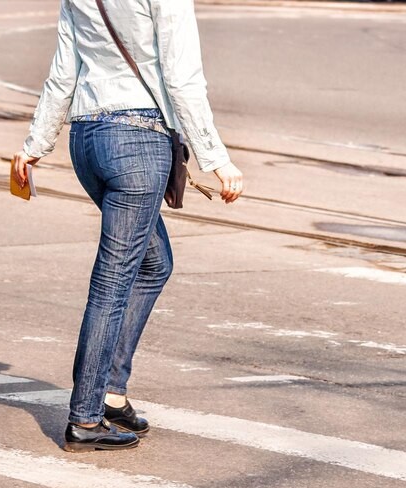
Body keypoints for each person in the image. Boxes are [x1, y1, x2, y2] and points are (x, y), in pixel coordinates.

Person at [13, 0, 244, 453]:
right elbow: (181, 77)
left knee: (154, 264)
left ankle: (112, 392)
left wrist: (35, 143)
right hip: (137, 142)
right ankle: (85, 416)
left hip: (87, 141)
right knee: (113, 281)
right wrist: (217, 159)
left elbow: (64, 72)